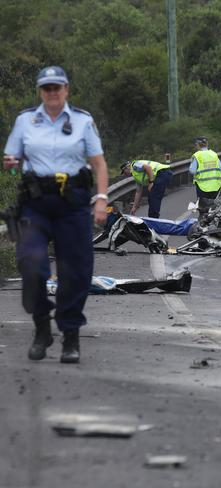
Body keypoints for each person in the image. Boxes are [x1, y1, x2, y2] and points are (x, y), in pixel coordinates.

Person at [3, 65, 109, 363]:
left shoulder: (82, 121)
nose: (52, 93)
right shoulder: (26, 121)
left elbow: (99, 164)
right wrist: (10, 162)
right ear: (41, 91)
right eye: (46, 88)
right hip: (35, 204)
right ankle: (41, 326)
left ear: (66, 90)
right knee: (30, 263)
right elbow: (11, 158)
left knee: (76, 271)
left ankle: (71, 336)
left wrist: (101, 199)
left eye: (57, 87)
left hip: (73, 204)